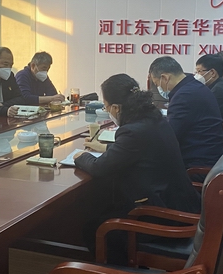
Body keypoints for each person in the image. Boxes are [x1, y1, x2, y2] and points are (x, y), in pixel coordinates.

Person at [73, 74, 201, 264]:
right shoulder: (153, 118)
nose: (107, 110)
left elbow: (99, 168)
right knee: (106, 210)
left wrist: (81, 157)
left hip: (163, 216)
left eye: (106, 106)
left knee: (96, 229)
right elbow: (137, 150)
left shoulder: (132, 131)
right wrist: (106, 148)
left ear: (116, 107)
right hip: (181, 204)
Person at [148, 56, 223, 169]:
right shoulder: (195, 87)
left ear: (165, 78)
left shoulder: (184, 96)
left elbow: (169, 136)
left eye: (157, 84)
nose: (159, 88)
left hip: (196, 166)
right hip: (210, 156)